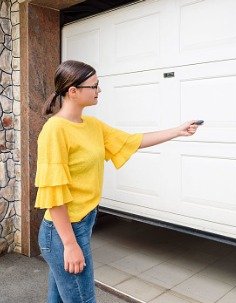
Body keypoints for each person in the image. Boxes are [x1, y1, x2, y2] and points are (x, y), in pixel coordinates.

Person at [34, 60, 202, 303]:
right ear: (73, 91)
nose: (99, 90)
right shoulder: (55, 131)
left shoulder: (91, 125)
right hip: (63, 233)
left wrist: (177, 131)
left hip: (81, 223)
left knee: (58, 299)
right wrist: (70, 245)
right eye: (94, 86)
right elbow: (53, 193)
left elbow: (130, 141)